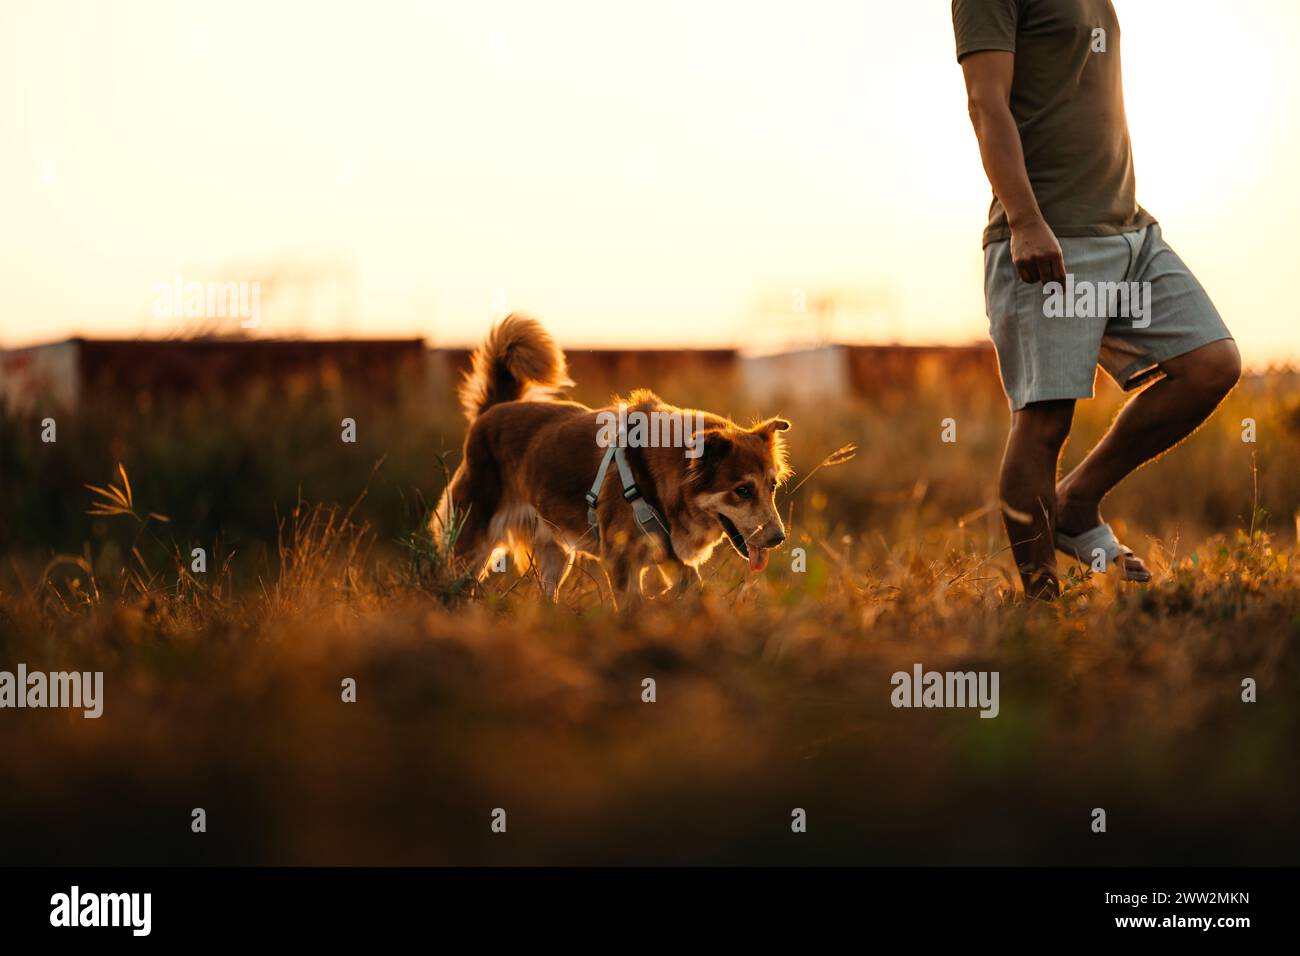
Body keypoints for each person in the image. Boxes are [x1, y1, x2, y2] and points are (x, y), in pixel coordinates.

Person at [952, 0, 1241, 598]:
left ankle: (1076, 502)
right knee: (1045, 418)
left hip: (1129, 231)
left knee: (1212, 364)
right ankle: (1042, 605)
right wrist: (1026, 220)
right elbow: (985, 102)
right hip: (1050, 234)